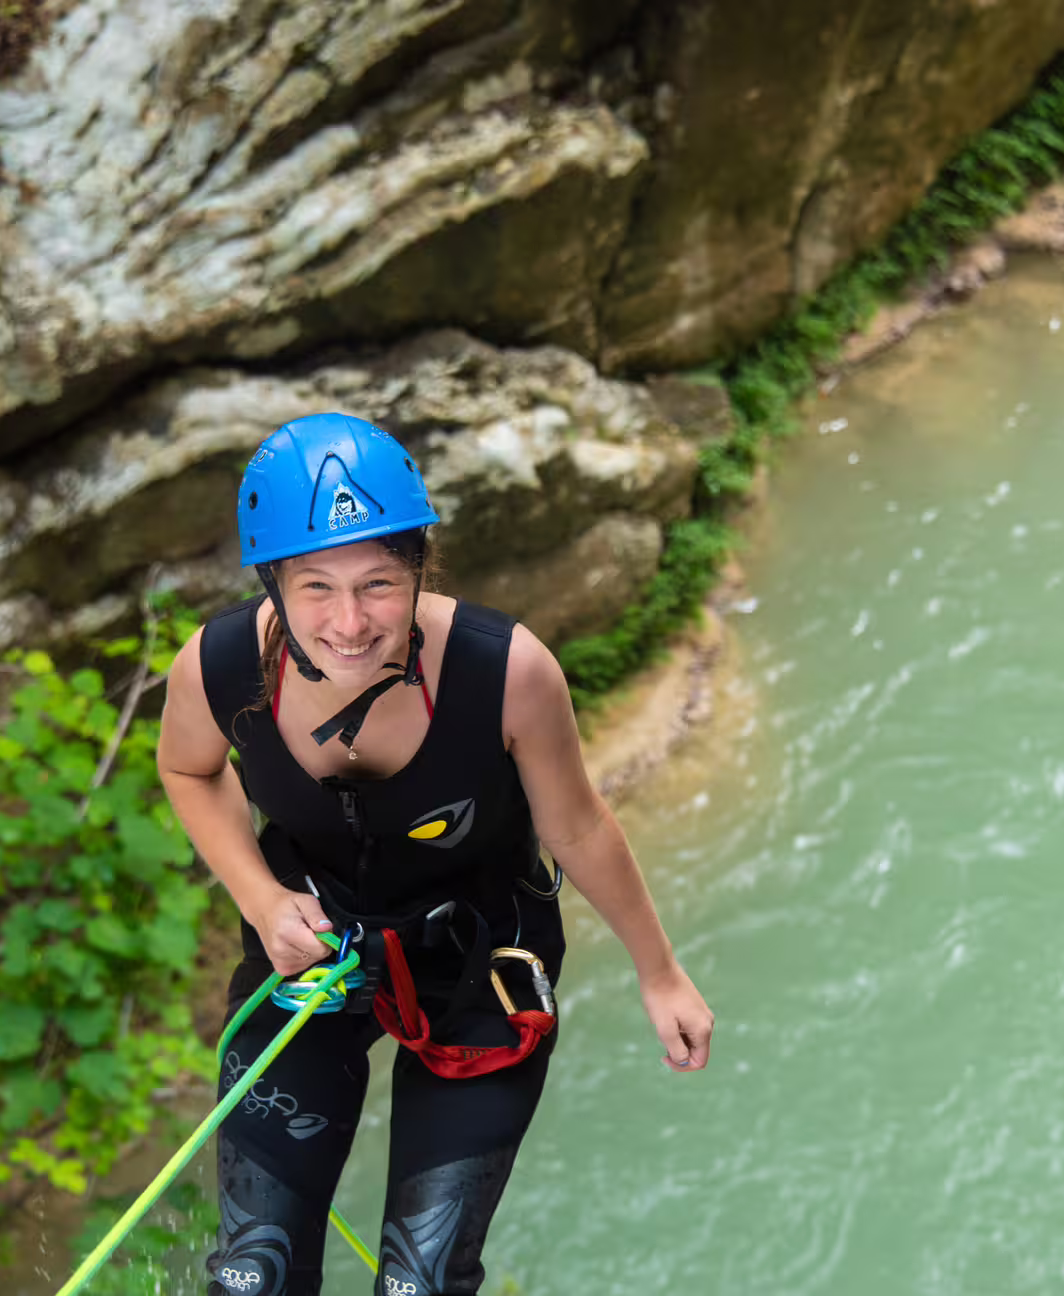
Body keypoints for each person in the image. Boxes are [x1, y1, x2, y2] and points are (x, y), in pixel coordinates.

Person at [156, 412, 715, 1296]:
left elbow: (576, 827)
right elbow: (188, 769)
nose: (349, 621)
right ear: (272, 584)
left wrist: (660, 972)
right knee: (250, 1279)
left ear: (422, 567)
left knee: (418, 1285)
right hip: (311, 954)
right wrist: (261, 900)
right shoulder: (222, 666)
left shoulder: (508, 672)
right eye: (315, 587)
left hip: (479, 966)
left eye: (379, 582)